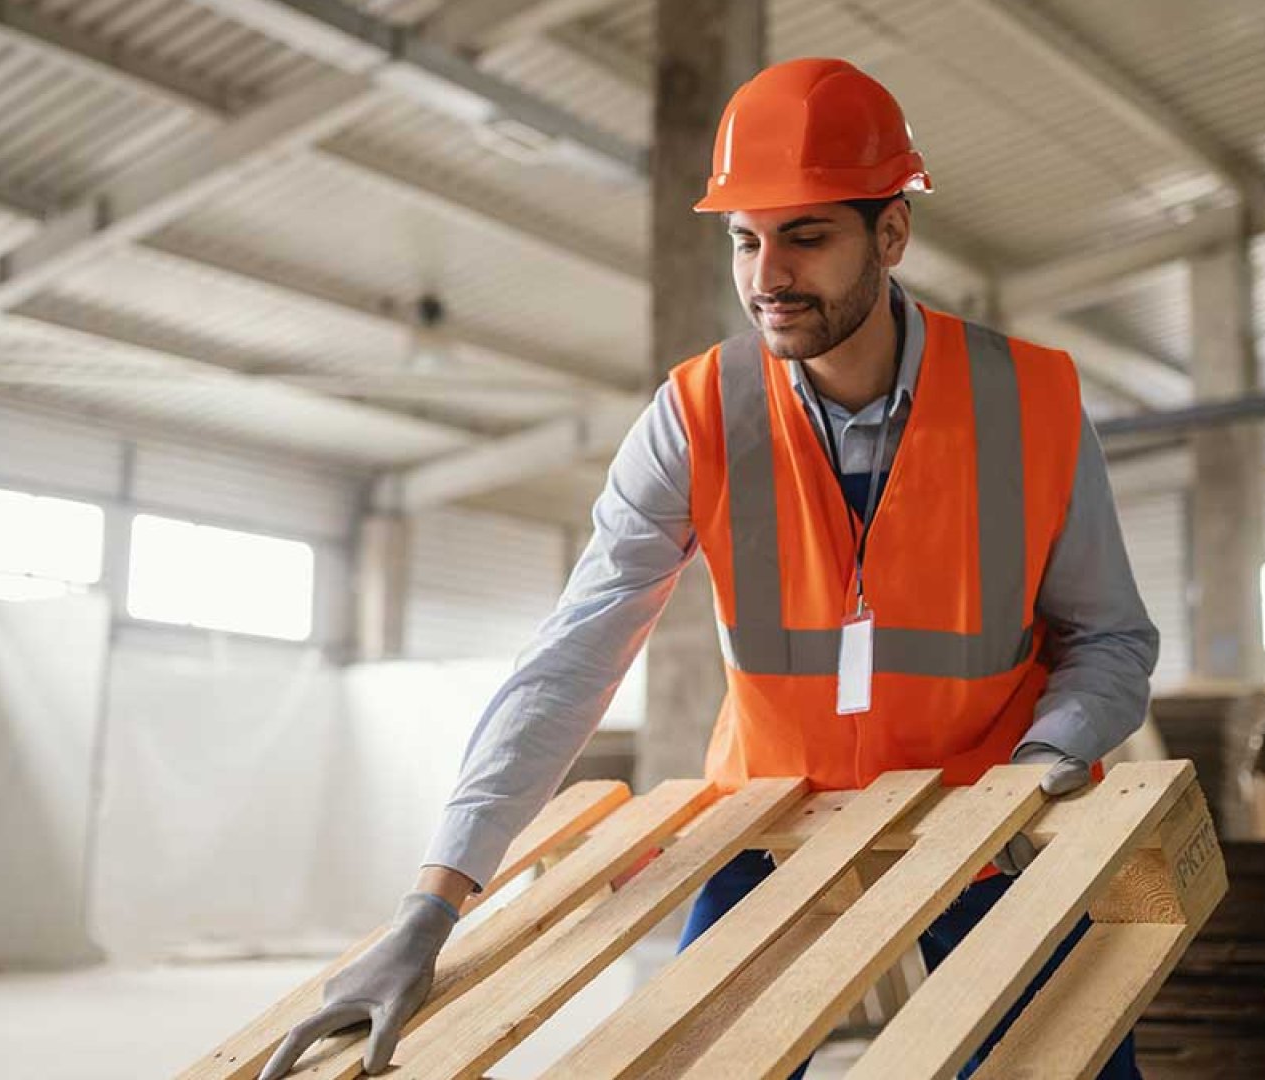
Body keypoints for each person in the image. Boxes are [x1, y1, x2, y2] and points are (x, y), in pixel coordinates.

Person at [261, 57, 1158, 1080]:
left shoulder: (1028, 400)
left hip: (984, 820)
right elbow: (571, 660)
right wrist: (433, 904)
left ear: (892, 234)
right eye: (746, 238)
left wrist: (1041, 767)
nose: (768, 276)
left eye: (807, 235)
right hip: (774, 820)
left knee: (1071, 1065)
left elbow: (1112, 639)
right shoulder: (697, 414)